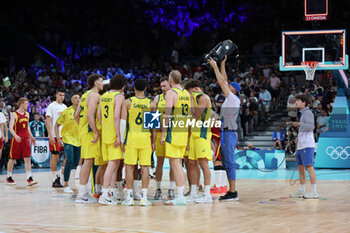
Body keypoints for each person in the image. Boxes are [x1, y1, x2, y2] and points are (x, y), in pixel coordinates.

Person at [208, 56, 240, 201]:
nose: (228, 86)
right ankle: (228, 189)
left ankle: (232, 191)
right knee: (225, 162)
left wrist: (214, 67)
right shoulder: (230, 99)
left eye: (230, 86)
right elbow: (224, 80)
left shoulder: (234, 99)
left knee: (229, 162)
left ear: (234, 90)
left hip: (229, 133)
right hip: (225, 132)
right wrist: (222, 64)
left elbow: (222, 82)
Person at [121, 78, 156, 206]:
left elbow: (123, 123)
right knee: (145, 168)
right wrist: (154, 142)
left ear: (134, 88)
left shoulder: (127, 103)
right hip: (145, 137)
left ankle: (129, 198)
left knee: (129, 167)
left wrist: (121, 139)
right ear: (146, 89)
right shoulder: (151, 104)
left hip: (132, 137)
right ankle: (144, 198)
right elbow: (154, 127)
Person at [160, 70, 191, 206]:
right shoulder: (185, 93)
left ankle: (180, 197)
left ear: (171, 81)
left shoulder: (171, 93)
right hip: (183, 131)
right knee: (178, 163)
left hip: (174, 132)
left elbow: (167, 115)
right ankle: (180, 195)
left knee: (175, 163)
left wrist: (163, 133)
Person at [75, 74, 104, 204]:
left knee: (88, 161)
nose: (103, 83)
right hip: (89, 132)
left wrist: (81, 127)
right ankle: (81, 194)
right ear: (95, 83)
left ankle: (84, 192)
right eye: (101, 81)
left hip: (83, 131)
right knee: (88, 162)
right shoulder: (95, 95)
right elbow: (89, 114)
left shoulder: (84, 95)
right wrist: (95, 131)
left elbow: (76, 115)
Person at [98, 74, 126, 205]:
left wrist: (104, 127)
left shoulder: (104, 96)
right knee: (112, 165)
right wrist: (119, 136)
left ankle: (111, 193)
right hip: (114, 134)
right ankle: (104, 194)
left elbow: (98, 115)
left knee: (113, 165)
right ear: (123, 85)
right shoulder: (119, 96)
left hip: (105, 133)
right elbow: (116, 117)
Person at [184, 79, 213, 203]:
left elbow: (195, 115)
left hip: (202, 134)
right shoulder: (196, 99)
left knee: (203, 163)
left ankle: (207, 195)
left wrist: (190, 100)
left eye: (190, 92)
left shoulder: (204, 98)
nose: (190, 95)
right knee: (191, 163)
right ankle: (194, 192)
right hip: (194, 136)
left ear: (195, 89)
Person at [290, 94, 318, 199]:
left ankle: (314, 191)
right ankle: (301, 191)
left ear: (304, 103)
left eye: (298, 100)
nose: (296, 102)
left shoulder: (308, 113)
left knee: (309, 167)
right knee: (301, 168)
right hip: (301, 145)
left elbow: (311, 127)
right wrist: (298, 137)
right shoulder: (302, 113)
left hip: (307, 145)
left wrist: (298, 124)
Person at [152, 77, 176, 200]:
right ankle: (158, 189)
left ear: (170, 85)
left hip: (172, 134)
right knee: (159, 163)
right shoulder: (157, 99)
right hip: (160, 133)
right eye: (161, 86)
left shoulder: (175, 96)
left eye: (165, 86)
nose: (163, 88)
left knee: (173, 163)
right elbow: (153, 119)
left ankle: (172, 189)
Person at [6, 98, 37, 186]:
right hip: (16, 140)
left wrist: (32, 137)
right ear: (21, 104)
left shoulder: (27, 114)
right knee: (12, 158)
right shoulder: (14, 114)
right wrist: (15, 136)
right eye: (26, 104)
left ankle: (29, 178)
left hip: (25, 139)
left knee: (27, 158)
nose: (28, 105)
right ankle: (9, 176)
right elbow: (10, 127)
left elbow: (27, 127)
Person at [54, 94, 81, 193]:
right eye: (75, 98)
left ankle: (61, 174)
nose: (78, 99)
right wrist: (58, 138)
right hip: (68, 139)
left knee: (76, 162)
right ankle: (66, 183)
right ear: (71, 100)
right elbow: (56, 125)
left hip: (79, 140)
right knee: (69, 159)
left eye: (79, 98)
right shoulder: (66, 112)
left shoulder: (83, 111)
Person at [46, 88, 67, 188]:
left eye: (63, 95)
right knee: (55, 156)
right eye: (60, 95)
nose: (62, 97)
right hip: (54, 135)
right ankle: (54, 178)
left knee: (68, 156)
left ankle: (60, 173)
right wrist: (50, 135)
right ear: (56, 95)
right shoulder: (51, 106)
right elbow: (48, 121)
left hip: (64, 135)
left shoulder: (65, 107)